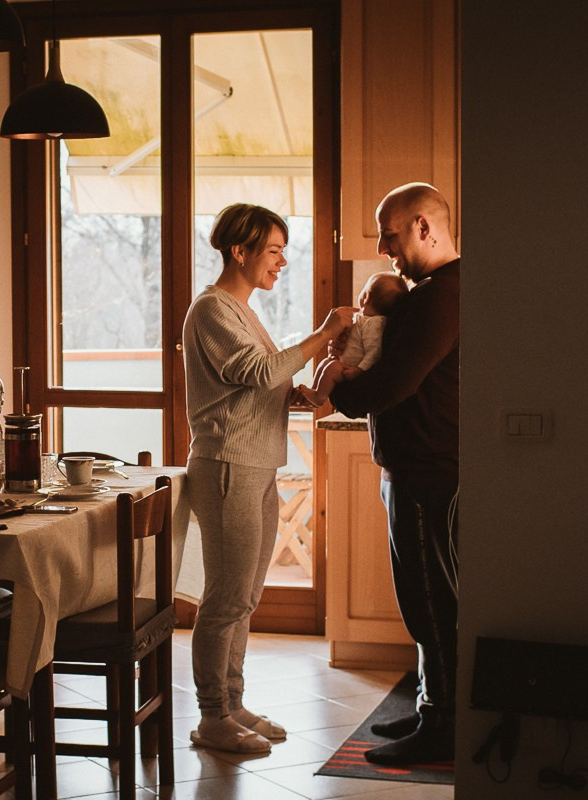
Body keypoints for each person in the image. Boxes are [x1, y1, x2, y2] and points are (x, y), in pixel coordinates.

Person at [182, 202, 354, 754]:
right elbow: (256, 372)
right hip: (227, 467)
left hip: (255, 466)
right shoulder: (212, 309)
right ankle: (212, 717)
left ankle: (233, 704)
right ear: (241, 251)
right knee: (225, 599)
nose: (282, 261)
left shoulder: (242, 311)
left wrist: (290, 394)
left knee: (245, 598)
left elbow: (254, 384)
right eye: (274, 250)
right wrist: (324, 334)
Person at [329, 182, 460, 765]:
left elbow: (395, 383)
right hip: (416, 467)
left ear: (424, 227)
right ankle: (432, 704)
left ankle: (443, 727)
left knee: (431, 601)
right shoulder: (429, 294)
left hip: (429, 471)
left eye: (390, 234)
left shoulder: (440, 296)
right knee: (423, 598)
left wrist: (342, 391)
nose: (383, 248)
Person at [302, 271, 408, 407]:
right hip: (346, 363)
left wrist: (360, 370)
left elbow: (374, 351)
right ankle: (315, 391)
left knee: (332, 367)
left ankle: (319, 397)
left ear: (366, 297)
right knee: (326, 363)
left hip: (353, 368)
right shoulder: (365, 320)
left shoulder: (375, 323)